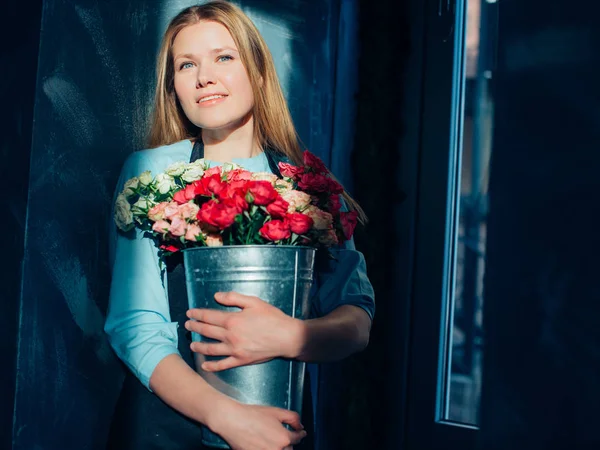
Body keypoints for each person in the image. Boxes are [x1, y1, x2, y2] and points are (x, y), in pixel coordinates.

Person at [104, 2, 375, 449]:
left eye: (223, 57)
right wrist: (228, 418)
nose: (203, 76)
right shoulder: (149, 174)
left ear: (259, 71)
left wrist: (291, 336)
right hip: (167, 430)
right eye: (186, 64)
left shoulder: (310, 189)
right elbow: (134, 326)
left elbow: (357, 321)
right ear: (174, 86)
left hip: (280, 430)